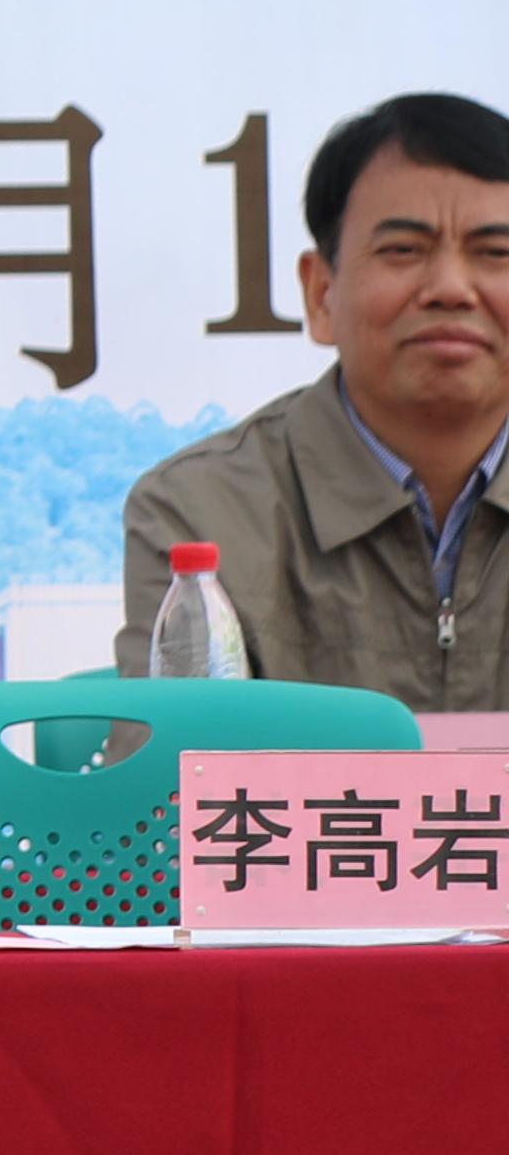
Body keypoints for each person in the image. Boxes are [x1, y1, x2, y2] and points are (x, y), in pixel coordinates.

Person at [112, 92, 509, 710]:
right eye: (403, 250)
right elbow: (174, 763)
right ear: (321, 292)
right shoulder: (200, 512)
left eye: (496, 253)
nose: (451, 289)